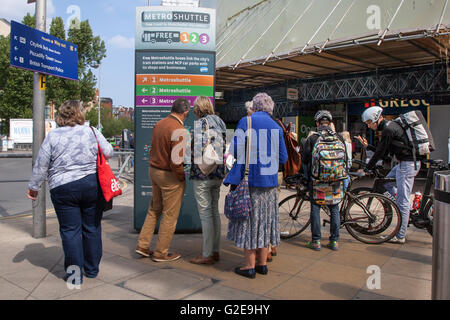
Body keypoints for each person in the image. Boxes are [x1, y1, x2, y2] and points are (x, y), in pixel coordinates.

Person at [27, 100, 113, 284]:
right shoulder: (91, 131)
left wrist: (34, 187)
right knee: (92, 227)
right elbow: (109, 151)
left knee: (70, 231)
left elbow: (42, 164)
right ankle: (91, 270)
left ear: (61, 115)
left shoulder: (53, 136)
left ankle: (74, 277)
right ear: (80, 113)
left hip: (62, 187)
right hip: (91, 185)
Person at [224, 92, 288, 279]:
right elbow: (283, 157)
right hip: (269, 184)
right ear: (270, 108)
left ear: (255, 106)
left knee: (249, 222)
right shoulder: (277, 127)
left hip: (249, 182)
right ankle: (262, 265)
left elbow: (234, 150)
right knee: (264, 223)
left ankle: (249, 266)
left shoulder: (247, 121)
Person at [135, 98, 190, 262]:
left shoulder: (159, 124)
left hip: (154, 171)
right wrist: (181, 176)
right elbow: (176, 160)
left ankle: (143, 245)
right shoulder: (179, 129)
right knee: (170, 215)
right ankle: (161, 253)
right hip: (169, 175)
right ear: (185, 112)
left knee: (154, 209)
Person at [356, 106, 421, 244]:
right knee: (385, 183)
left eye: (369, 123)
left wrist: (367, 169)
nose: (368, 126)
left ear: (375, 119)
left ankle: (400, 235)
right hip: (402, 164)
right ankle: (408, 210)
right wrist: (368, 146)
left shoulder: (388, 129)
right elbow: (383, 153)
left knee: (402, 201)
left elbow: (380, 153)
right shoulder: (390, 127)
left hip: (407, 165)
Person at [189, 96, 227, 265]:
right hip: (218, 173)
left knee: (205, 215)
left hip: (203, 174)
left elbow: (200, 149)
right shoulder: (220, 122)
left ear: (198, 109)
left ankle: (206, 254)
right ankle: (216, 250)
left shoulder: (201, 124)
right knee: (214, 212)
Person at [302, 110, 345, 251]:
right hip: (335, 180)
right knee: (334, 209)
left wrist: (306, 177)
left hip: (318, 181)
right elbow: (346, 160)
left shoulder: (313, 138)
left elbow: (305, 160)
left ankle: (316, 241)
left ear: (317, 123)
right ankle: (334, 241)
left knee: (316, 208)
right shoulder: (339, 137)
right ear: (330, 122)